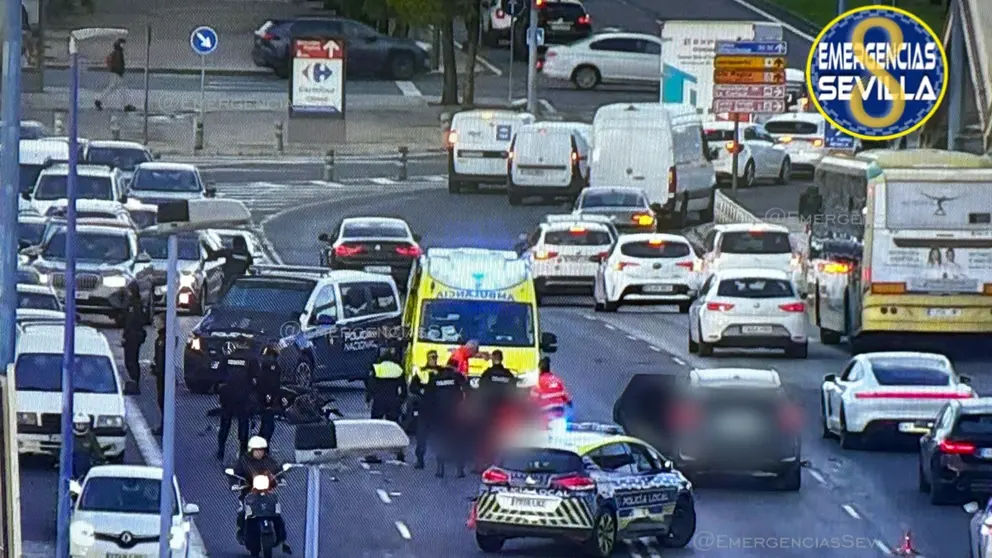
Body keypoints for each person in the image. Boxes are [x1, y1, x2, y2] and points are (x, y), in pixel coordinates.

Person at [232, 437, 291, 554]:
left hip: (267, 492)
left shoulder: (269, 461)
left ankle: (282, 538)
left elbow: (277, 470)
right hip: (248, 492)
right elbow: (236, 473)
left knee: (276, 513)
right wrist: (234, 483)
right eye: (257, 450)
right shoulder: (244, 461)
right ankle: (242, 532)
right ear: (251, 450)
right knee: (243, 511)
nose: (259, 453)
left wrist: (281, 478)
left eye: (261, 450)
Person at [416, 365, 467, 478]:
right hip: (455, 413)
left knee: (441, 442)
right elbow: (465, 390)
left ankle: (440, 469)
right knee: (458, 441)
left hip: (439, 414)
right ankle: (460, 470)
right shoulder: (456, 378)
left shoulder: (435, 380)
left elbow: (428, 398)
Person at [476, 350, 518, 470]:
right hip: (504, 412)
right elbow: (514, 393)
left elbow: (481, 390)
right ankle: (503, 463)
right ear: (502, 359)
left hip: (488, 410)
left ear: (493, 359)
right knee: (504, 438)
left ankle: (483, 463)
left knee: (485, 437)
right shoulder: (508, 375)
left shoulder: (488, 374)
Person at [365, 346, 407, 462]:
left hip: (379, 401)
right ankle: (399, 453)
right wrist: (401, 400)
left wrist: (368, 399)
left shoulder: (378, 368)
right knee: (395, 428)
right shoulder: (398, 368)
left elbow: (371, 385)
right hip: (393, 400)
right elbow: (403, 387)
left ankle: (371, 454)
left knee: (374, 427)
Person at [217, 360, 257, 461]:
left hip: (228, 396)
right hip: (243, 396)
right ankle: (243, 451)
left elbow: (219, 376)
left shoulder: (228, 356)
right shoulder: (250, 357)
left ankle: (221, 449)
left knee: (225, 423)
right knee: (243, 423)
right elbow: (255, 379)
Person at [253, 342, 283, 443]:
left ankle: (261, 442)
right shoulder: (273, 366)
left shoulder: (264, 366)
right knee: (269, 424)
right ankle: (264, 443)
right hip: (268, 397)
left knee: (265, 422)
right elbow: (273, 383)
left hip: (263, 397)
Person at [95, 39, 135, 112]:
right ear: (120, 44)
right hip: (117, 73)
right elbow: (119, 64)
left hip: (115, 72)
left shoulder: (117, 52)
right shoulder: (118, 53)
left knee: (113, 87)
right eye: (122, 44)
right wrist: (120, 71)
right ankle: (125, 106)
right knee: (122, 88)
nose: (124, 45)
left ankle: (99, 100)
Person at [120, 282, 146, 395]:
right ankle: (134, 382)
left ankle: (134, 383)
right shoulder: (138, 304)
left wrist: (125, 336)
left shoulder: (133, 306)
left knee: (130, 361)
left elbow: (129, 322)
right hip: (136, 336)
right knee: (133, 360)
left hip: (132, 336)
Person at [529, 356, 572, 420]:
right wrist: (569, 403)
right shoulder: (556, 379)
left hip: (546, 412)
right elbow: (566, 396)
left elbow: (533, 398)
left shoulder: (538, 381)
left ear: (539, 369)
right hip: (560, 411)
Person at [71, 413, 106, 479]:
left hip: (86, 467)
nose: (81, 427)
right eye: (78, 424)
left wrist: (101, 458)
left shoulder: (91, 436)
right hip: (72, 468)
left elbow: (98, 452)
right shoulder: (69, 436)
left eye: (83, 425)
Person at [151, 314, 167, 435]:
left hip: (162, 375)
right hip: (161, 373)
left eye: (157, 321)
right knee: (161, 400)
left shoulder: (163, 339)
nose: (155, 323)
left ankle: (164, 426)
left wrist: (158, 369)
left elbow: (162, 358)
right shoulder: (161, 337)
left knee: (163, 400)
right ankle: (163, 425)